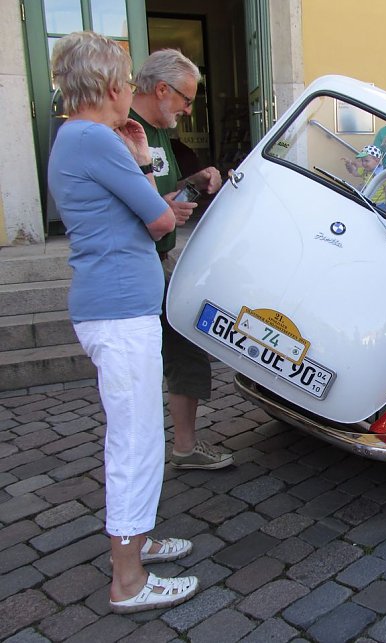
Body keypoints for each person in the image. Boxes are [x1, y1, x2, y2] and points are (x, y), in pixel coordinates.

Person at [48, 31, 198, 613]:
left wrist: (134, 159)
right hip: (118, 309)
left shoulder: (77, 137)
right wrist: (138, 160)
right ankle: (128, 579)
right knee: (135, 444)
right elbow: (160, 218)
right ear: (113, 85)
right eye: (127, 81)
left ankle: (140, 540)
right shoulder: (95, 138)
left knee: (137, 436)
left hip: (112, 305)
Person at [131, 49, 233, 470]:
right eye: (185, 100)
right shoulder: (127, 132)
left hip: (160, 258)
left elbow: (165, 198)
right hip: (137, 265)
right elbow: (134, 208)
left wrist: (197, 181)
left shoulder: (158, 135)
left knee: (186, 346)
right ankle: (163, 452)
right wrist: (166, 210)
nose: (189, 110)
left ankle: (185, 448)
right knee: (162, 357)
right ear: (160, 90)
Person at [342, 144, 386, 209]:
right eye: (362, 160)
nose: (363, 163)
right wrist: (348, 164)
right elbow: (354, 172)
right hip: (366, 200)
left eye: (366, 161)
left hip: (378, 205)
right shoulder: (364, 170)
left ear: (377, 160)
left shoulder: (382, 175)